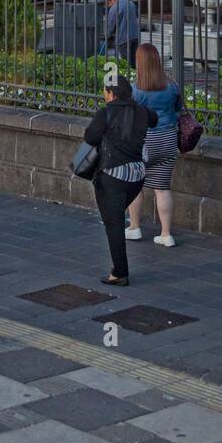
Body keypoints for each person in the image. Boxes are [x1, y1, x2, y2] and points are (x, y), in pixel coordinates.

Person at [84, 73, 157, 286]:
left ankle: (119, 272)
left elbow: (90, 137)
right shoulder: (142, 112)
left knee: (113, 223)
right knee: (114, 216)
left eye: (105, 91)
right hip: (136, 176)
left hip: (112, 175)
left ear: (111, 93)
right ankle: (119, 269)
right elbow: (155, 119)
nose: (103, 94)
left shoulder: (105, 113)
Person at [127, 43, 183, 248]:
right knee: (162, 188)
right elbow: (178, 110)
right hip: (168, 139)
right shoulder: (172, 86)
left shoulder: (136, 90)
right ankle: (166, 234)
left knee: (136, 185)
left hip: (145, 141)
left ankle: (134, 227)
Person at [105, 0, 141, 66]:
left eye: (108, 3)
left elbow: (111, 25)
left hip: (123, 39)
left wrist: (108, 34)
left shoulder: (114, 8)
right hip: (135, 36)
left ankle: (128, 77)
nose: (108, 6)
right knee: (135, 59)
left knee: (126, 62)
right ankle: (135, 76)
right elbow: (137, 15)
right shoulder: (131, 3)